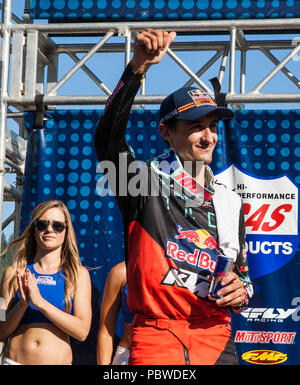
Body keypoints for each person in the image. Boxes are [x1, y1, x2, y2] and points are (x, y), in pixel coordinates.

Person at [94, 29, 253, 365]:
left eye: (212, 126)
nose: (208, 136)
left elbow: (241, 276)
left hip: (215, 338)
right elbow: (107, 139)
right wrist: (137, 67)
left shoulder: (229, 201)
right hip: (157, 337)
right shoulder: (142, 182)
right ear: (166, 132)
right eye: (196, 126)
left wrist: (240, 291)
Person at [0, 200, 92, 365]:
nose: (49, 229)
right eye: (42, 224)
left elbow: (82, 331)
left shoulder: (78, 275)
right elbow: (0, 331)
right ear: (34, 230)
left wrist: (40, 303)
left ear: (66, 231)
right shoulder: (12, 273)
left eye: (57, 226)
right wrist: (22, 304)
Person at [97, 261, 133, 365]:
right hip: (127, 356)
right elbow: (106, 332)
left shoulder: (179, 270)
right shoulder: (121, 272)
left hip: (173, 355)